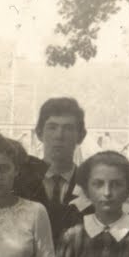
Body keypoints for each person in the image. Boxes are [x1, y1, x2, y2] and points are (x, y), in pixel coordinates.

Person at [31, 96, 87, 239]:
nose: (59, 136)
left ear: (81, 136)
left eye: (68, 128)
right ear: (39, 133)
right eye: (52, 127)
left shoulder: (90, 185)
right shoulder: (19, 183)